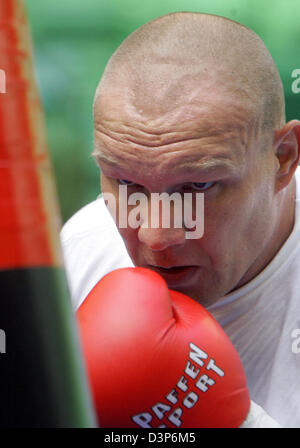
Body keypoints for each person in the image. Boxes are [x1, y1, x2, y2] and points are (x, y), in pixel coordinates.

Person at [60, 12, 300, 427]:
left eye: (198, 186)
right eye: (125, 181)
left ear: (282, 159)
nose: (156, 236)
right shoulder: (82, 251)